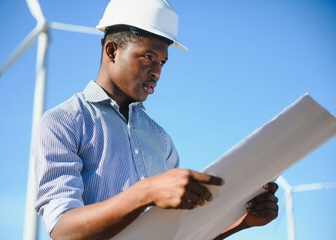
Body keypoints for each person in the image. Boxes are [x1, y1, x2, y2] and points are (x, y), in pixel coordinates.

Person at [33, 0, 279, 239]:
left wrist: (241, 223)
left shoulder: (160, 140)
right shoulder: (64, 122)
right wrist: (146, 192)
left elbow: (181, 235)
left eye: (162, 62)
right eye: (148, 57)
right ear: (112, 51)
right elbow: (63, 231)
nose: (157, 72)